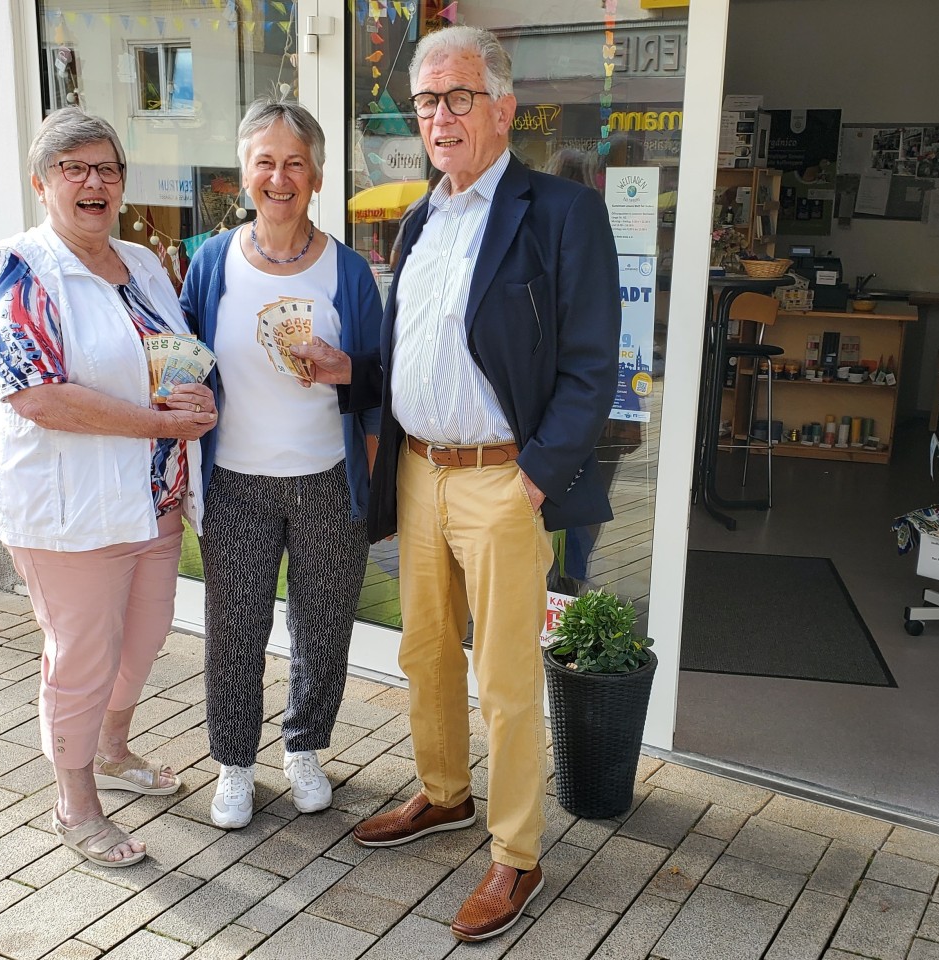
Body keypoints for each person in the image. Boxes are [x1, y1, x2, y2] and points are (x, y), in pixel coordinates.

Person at [295, 25, 620, 942]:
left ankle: (516, 852)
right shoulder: (421, 216)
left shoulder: (559, 212)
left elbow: (594, 365)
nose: (438, 116)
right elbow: (416, 353)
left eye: (458, 97)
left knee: (504, 679)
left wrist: (535, 479)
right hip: (419, 469)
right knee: (425, 653)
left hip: (499, 479)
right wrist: (347, 374)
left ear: (505, 109)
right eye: (427, 100)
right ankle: (443, 794)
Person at [0, 107, 217, 868]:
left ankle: (113, 750)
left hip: (152, 499)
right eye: (74, 168)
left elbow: (170, 365)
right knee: (82, 653)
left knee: (142, 640)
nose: (94, 182)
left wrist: (195, 405)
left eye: (107, 169)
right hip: (68, 511)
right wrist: (160, 426)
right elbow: (39, 395)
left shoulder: (142, 262)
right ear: (41, 181)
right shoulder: (19, 266)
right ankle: (74, 802)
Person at [178, 99, 382, 831]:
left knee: (323, 624)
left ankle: (304, 748)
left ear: (317, 174)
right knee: (233, 628)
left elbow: (377, 382)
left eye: (295, 161)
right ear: (244, 173)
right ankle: (234, 764)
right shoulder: (210, 263)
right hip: (235, 479)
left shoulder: (350, 272)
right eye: (265, 161)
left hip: (328, 477)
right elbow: (186, 364)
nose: (280, 176)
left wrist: (345, 371)